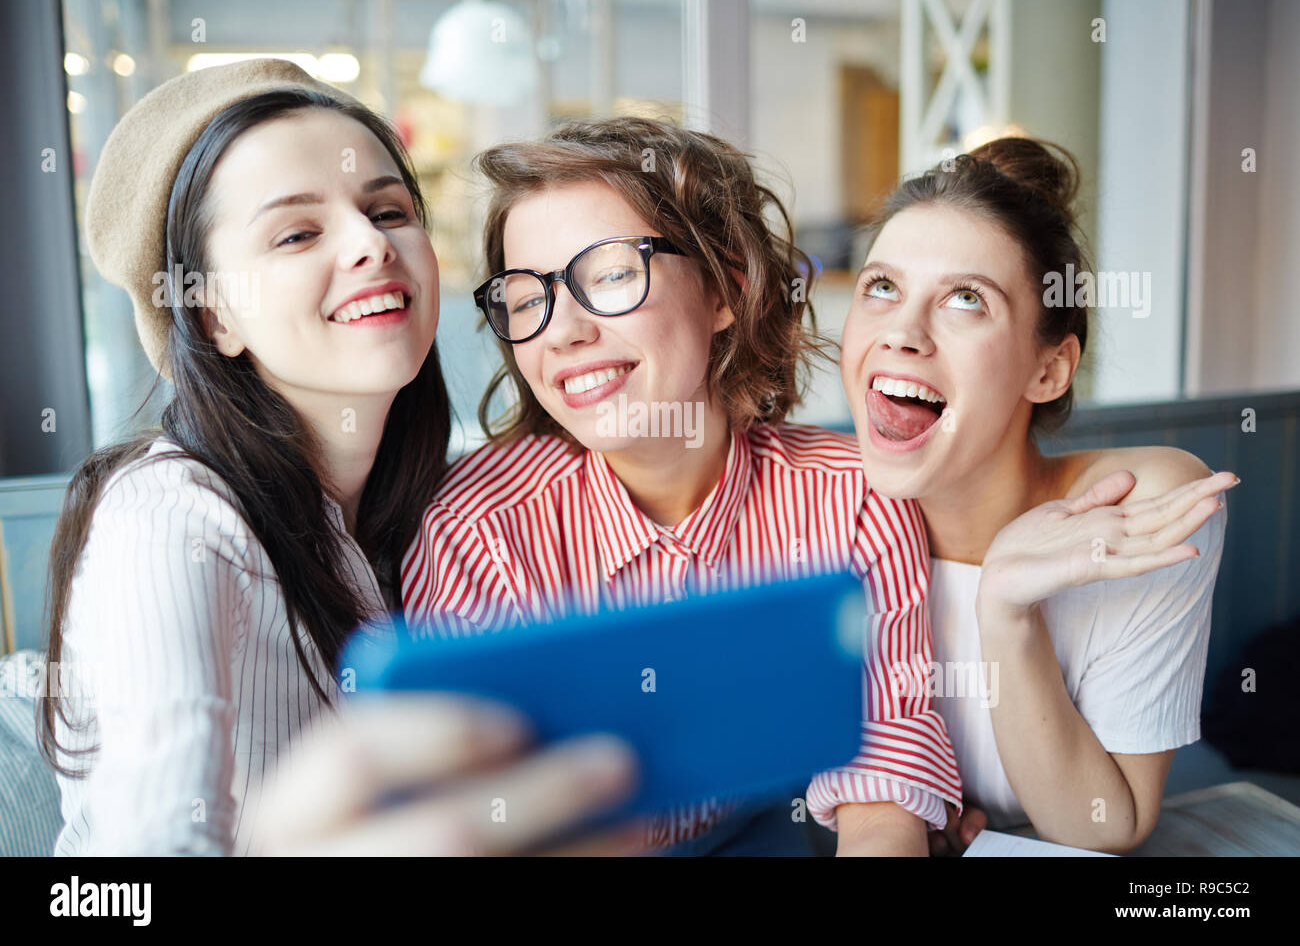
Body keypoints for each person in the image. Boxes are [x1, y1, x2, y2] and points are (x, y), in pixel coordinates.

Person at [40, 59, 637, 857]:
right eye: (297, 232)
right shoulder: (171, 517)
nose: (368, 245)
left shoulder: (425, 514)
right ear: (213, 315)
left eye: (387, 211)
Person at [402, 117, 962, 855]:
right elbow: (489, 817)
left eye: (609, 274)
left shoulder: (853, 501)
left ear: (726, 289)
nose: (562, 330)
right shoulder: (478, 530)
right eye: (527, 295)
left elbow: (882, 772)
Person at [838, 137, 1234, 854]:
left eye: (965, 299)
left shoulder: (1136, 508)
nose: (901, 332)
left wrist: (1007, 611)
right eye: (882, 287)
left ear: (1049, 370)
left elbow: (1102, 826)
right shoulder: (812, 499)